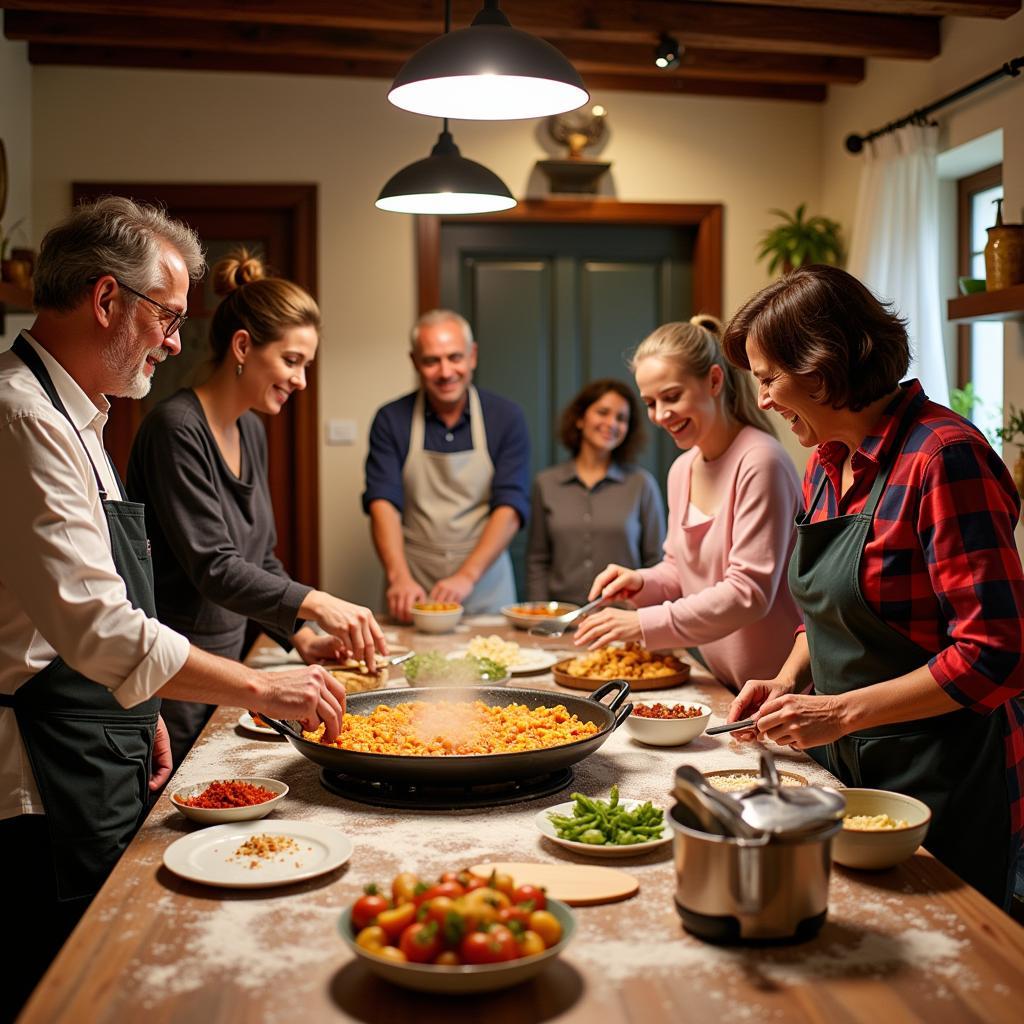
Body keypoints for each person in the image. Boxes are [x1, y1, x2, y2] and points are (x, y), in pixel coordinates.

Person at [0, 197, 348, 1020]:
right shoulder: (21, 418)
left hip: (98, 725)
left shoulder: (81, 416)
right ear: (106, 299)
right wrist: (263, 689)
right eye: (167, 315)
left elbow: (112, 602)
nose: (173, 337)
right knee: (73, 982)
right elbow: (98, 628)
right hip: (41, 762)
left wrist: (144, 699)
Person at [720, 264, 1024, 907]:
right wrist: (788, 680)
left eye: (770, 378)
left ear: (824, 366)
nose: (765, 400)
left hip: (944, 778)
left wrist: (837, 713)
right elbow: (827, 615)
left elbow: (995, 654)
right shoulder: (826, 462)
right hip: (850, 769)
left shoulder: (944, 458)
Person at [128, 249, 387, 768]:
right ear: (243, 346)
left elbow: (259, 558)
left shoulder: (249, 428)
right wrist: (318, 602)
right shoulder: (176, 429)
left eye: (306, 366)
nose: (301, 381)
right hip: (181, 678)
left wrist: (304, 636)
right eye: (292, 362)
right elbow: (215, 568)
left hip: (233, 670)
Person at [574, 315, 803, 691]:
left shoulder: (761, 460)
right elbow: (680, 572)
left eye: (671, 396)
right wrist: (640, 583)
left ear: (714, 381)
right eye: (649, 402)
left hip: (779, 687)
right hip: (723, 681)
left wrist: (642, 624)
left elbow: (749, 594)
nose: (660, 416)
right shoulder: (683, 469)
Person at [363, 310, 531, 620]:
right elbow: (382, 501)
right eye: (431, 361)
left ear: (473, 356)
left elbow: (510, 506)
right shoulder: (391, 419)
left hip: (484, 580)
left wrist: (467, 576)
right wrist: (398, 576)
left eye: (455, 357)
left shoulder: (506, 418)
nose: (445, 372)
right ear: (415, 362)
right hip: (412, 577)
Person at [526, 378, 665, 606]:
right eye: (603, 412)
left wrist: (646, 620)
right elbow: (538, 561)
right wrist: (540, 615)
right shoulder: (546, 483)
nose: (611, 423)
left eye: (621, 418)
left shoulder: (641, 485)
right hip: (562, 619)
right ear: (580, 419)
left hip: (623, 620)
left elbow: (656, 562)